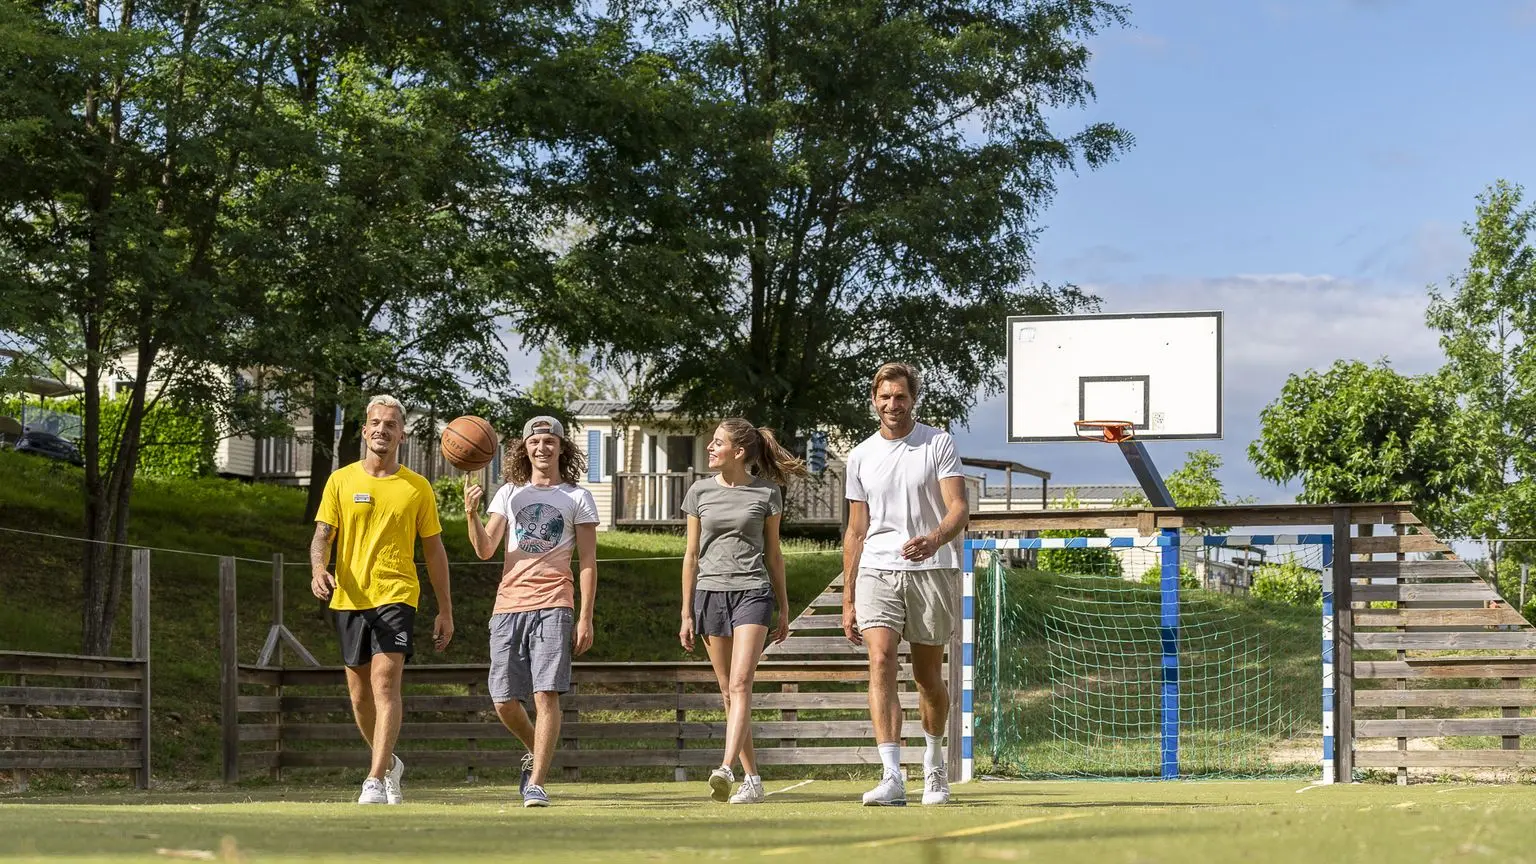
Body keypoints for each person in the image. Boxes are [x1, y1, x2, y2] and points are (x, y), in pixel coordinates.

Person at [310, 394, 454, 805]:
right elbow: (322, 536)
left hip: (397, 595)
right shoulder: (341, 480)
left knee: (385, 684)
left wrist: (444, 609)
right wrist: (319, 569)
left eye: (390, 424)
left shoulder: (417, 488)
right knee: (359, 697)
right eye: (376, 422)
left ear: (401, 435)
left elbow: (434, 551)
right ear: (364, 430)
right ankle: (390, 763)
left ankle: (373, 779)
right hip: (350, 598)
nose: (382, 429)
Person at [841, 363, 969, 806]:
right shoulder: (859, 456)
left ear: (913, 399)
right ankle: (892, 775)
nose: (892, 404)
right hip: (877, 569)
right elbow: (856, 530)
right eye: (885, 397)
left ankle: (934, 767)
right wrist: (848, 596)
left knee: (927, 676)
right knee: (880, 661)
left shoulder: (938, 443)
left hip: (932, 571)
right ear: (874, 400)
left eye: (900, 396)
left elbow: (958, 508)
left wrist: (934, 539)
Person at [465, 415, 598, 808]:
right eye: (535, 442)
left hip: (555, 603)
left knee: (545, 694)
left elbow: (588, 562)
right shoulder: (509, 493)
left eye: (549, 441)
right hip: (508, 605)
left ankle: (537, 782)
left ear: (561, 447)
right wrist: (471, 514)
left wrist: (586, 616)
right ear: (525, 448)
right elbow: (485, 549)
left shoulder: (577, 497)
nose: (542, 447)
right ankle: (535, 748)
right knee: (503, 699)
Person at [679, 419, 804, 804]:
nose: (710, 448)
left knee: (740, 684)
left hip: (753, 592)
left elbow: (774, 554)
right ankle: (753, 778)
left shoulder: (767, 493)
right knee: (728, 693)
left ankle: (725, 767)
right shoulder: (698, 492)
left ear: (739, 451)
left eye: (718, 443)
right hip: (710, 594)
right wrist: (685, 612)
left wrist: (783, 608)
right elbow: (691, 556)